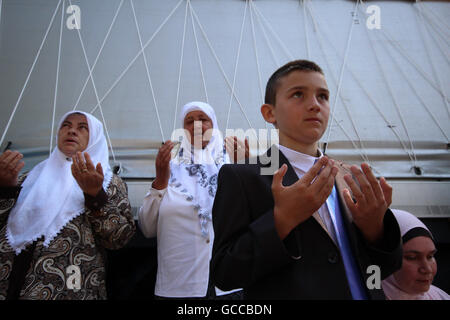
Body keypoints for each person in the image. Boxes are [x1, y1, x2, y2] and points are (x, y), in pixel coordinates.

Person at [210, 60, 403, 299]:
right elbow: (225, 273)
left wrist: (376, 230)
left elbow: (382, 270)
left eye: (323, 96)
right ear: (269, 113)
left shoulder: (351, 178)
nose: (314, 105)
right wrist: (281, 220)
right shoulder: (243, 177)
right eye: (298, 94)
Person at [0, 111, 135, 300]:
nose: (72, 131)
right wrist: (5, 189)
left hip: (68, 288)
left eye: (82, 127)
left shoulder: (108, 182)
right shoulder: (28, 178)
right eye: (66, 125)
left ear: (95, 137)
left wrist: (95, 195)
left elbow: (118, 238)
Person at [138, 101, 247, 299]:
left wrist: (244, 170)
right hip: (178, 285)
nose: (197, 125)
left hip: (227, 286)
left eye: (203, 119)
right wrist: (160, 180)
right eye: (189, 121)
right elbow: (147, 228)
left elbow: (251, 217)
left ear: (214, 125)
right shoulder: (170, 168)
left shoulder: (231, 164)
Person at [382, 209, 450, 300]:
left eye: (430, 257)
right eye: (412, 258)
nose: (427, 269)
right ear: (385, 261)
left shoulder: (439, 297)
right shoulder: (362, 294)